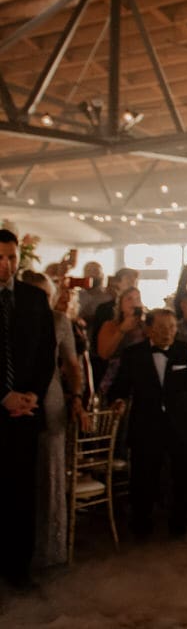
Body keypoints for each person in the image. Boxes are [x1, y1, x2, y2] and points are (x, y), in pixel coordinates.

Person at [110, 309, 187, 539]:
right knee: (143, 477)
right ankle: (141, 527)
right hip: (146, 424)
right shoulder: (133, 354)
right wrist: (118, 400)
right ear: (148, 329)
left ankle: (180, 527)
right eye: (162, 327)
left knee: (183, 476)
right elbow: (120, 387)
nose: (168, 332)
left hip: (181, 424)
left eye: (172, 327)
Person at [0, 229, 56, 590]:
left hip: (26, 412)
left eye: (11, 257)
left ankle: (19, 568)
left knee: (21, 493)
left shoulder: (34, 299)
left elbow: (45, 352)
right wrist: (2, 395)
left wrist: (33, 394)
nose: (6, 265)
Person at [22, 272, 82, 567]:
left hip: (51, 400)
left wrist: (77, 397)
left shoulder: (59, 322)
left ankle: (49, 549)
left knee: (51, 474)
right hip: (16, 401)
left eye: (45, 295)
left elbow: (72, 364)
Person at [96, 285, 147, 396]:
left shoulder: (146, 327)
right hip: (116, 376)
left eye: (137, 299)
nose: (134, 302)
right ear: (121, 305)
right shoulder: (110, 325)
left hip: (142, 375)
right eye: (129, 299)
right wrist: (121, 331)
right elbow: (104, 354)